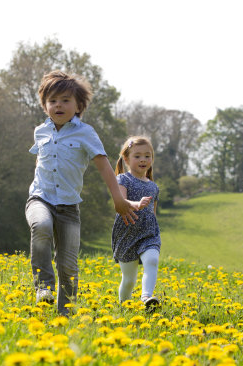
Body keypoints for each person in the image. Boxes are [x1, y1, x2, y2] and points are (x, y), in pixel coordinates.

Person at [25, 70, 139, 316]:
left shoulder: (85, 133)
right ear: (45, 105)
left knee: (68, 266)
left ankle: (65, 316)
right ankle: (43, 286)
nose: (59, 105)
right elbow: (41, 163)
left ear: (78, 105)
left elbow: (104, 166)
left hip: (68, 208)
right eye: (53, 100)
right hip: (40, 198)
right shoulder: (40, 132)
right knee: (41, 226)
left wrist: (118, 198)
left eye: (65, 100)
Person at [112, 136, 161, 309]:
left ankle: (146, 297)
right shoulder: (123, 180)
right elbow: (121, 203)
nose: (143, 160)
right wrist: (136, 205)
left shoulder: (154, 187)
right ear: (126, 159)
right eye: (137, 156)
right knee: (129, 280)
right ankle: (123, 306)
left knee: (152, 260)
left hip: (148, 233)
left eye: (147, 156)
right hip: (127, 233)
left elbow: (152, 213)